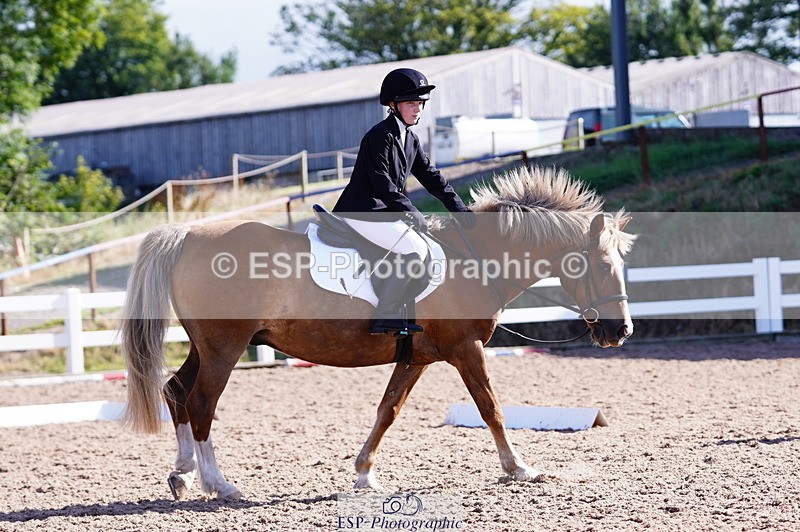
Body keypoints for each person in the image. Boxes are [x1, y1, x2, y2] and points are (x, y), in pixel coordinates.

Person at [333, 68, 473, 335]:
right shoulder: (380, 135)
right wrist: (412, 212)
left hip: (384, 212)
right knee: (413, 249)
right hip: (362, 211)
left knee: (424, 247)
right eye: (411, 103)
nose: (417, 109)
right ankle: (385, 315)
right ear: (393, 104)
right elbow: (382, 184)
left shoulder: (410, 138)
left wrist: (459, 208)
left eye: (420, 103)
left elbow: (430, 176)